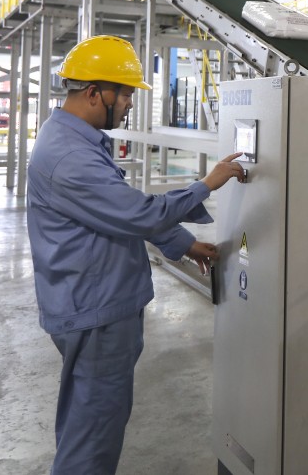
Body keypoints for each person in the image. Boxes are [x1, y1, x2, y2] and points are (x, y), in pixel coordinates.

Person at [27, 35, 246, 474]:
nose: (129, 103)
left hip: (94, 302)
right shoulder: (70, 155)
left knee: (87, 422)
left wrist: (182, 243)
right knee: (93, 437)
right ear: (95, 93)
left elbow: (112, 213)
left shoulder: (77, 139)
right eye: (125, 93)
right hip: (96, 311)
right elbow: (138, 213)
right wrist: (207, 184)